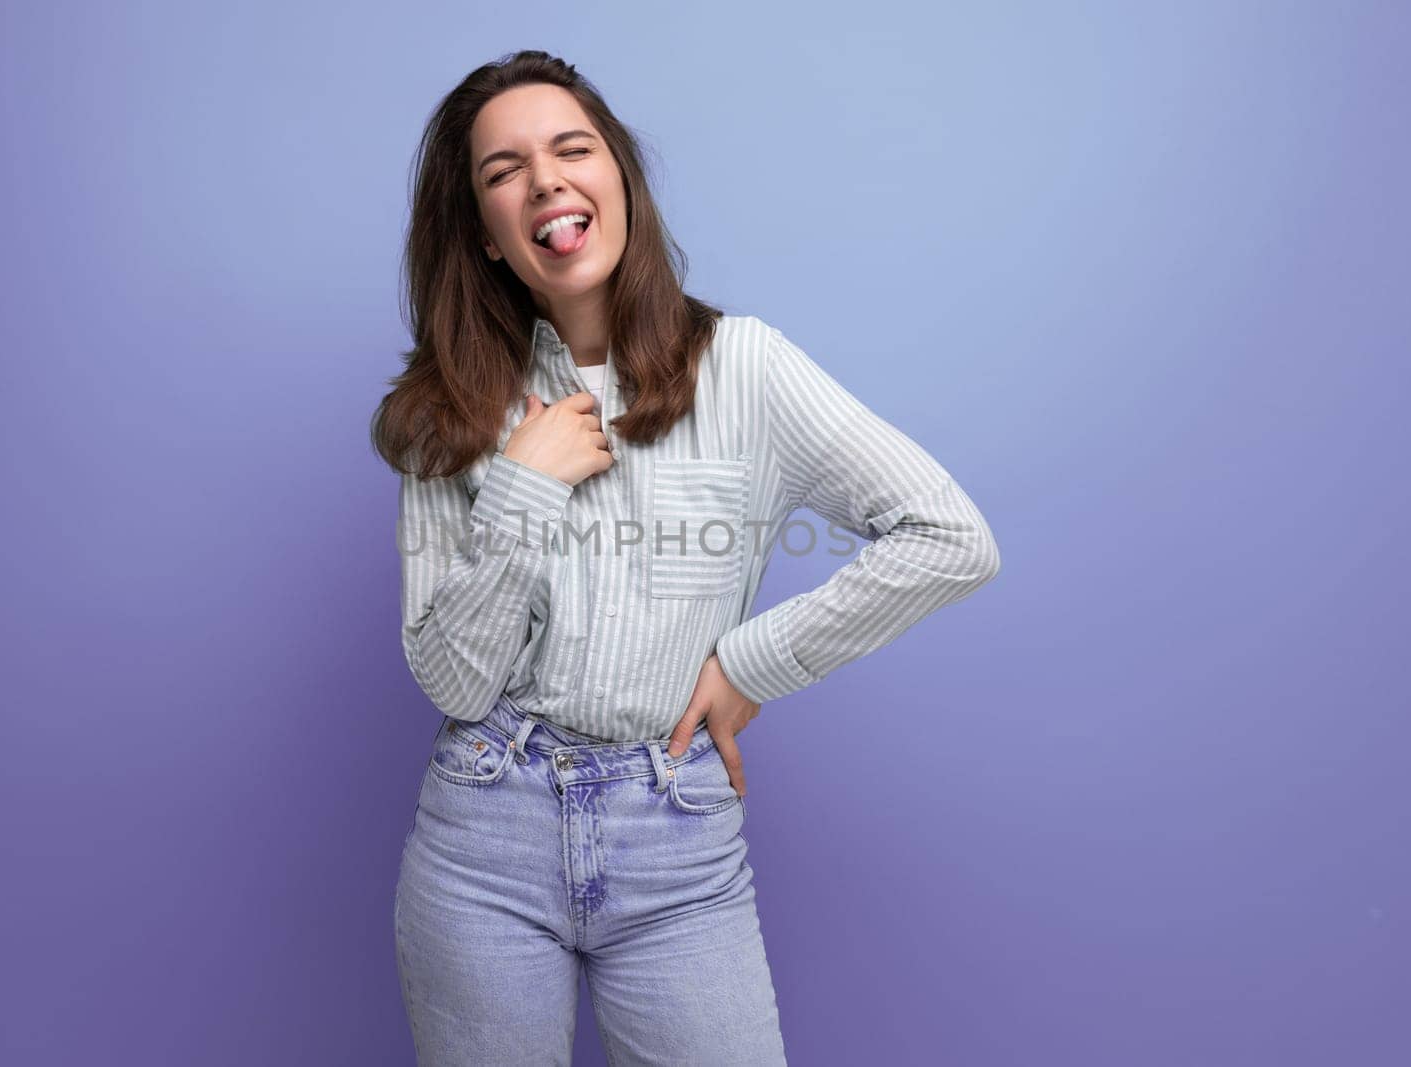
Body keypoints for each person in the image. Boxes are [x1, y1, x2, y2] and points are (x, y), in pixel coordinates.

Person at [370, 49, 1001, 1066]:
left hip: (675, 835)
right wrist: (524, 490)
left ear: (620, 177)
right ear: (484, 235)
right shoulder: (449, 405)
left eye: (573, 150)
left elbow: (949, 536)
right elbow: (450, 676)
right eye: (503, 172)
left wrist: (751, 665)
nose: (545, 182)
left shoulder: (742, 365)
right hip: (482, 834)